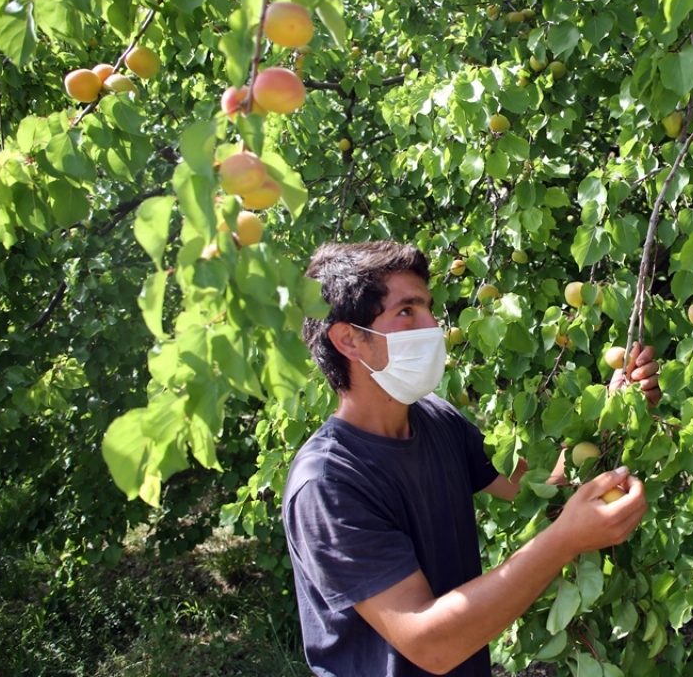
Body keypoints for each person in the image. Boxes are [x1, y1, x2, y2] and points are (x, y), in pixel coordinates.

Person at [282, 241, 659, 677]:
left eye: (428, 308)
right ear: (349, 339)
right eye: (407, 311)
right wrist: (564, 540)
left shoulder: (436, 420)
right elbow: (430, 644)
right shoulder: (329, 482)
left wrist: (613, 410)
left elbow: (538, 488)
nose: (433, 325)